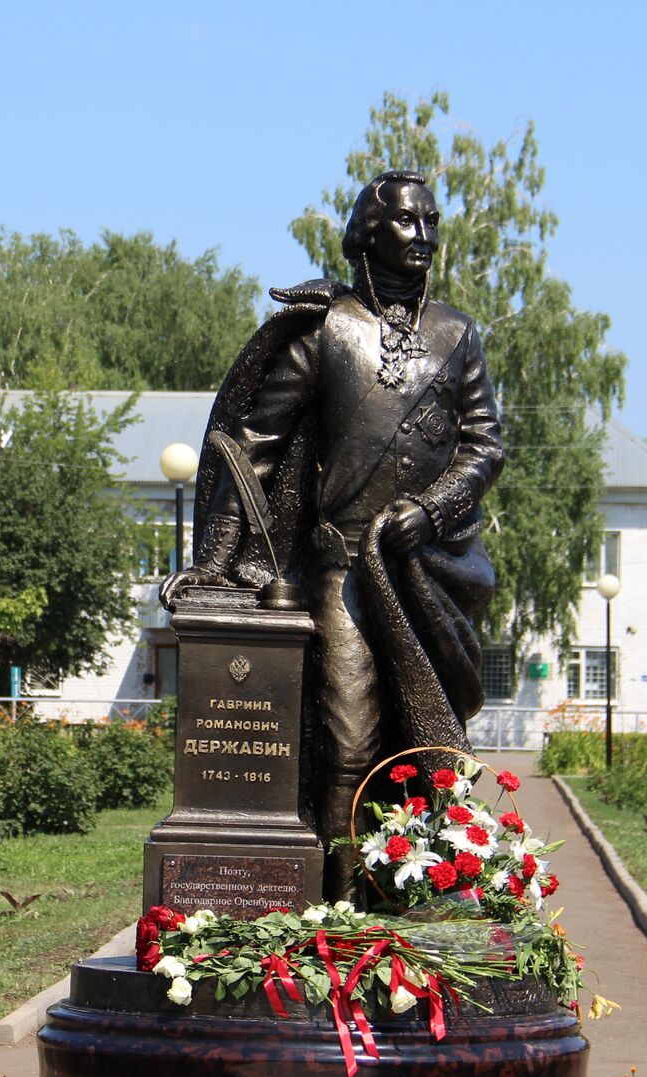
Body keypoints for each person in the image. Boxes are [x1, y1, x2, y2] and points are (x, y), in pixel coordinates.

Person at [162, 170, 505, 892]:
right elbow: (253, 447)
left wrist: (435, 509)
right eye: (408, 222)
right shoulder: (328, 327)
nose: (424, 237)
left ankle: (427, 892)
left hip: (425, 569)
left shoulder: (456, 334)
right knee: (349, 738)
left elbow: (484, 444)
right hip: (344, 569)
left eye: (432, 222)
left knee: (431, 743)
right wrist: (216, 559)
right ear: (367, 233)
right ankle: (340, 902)